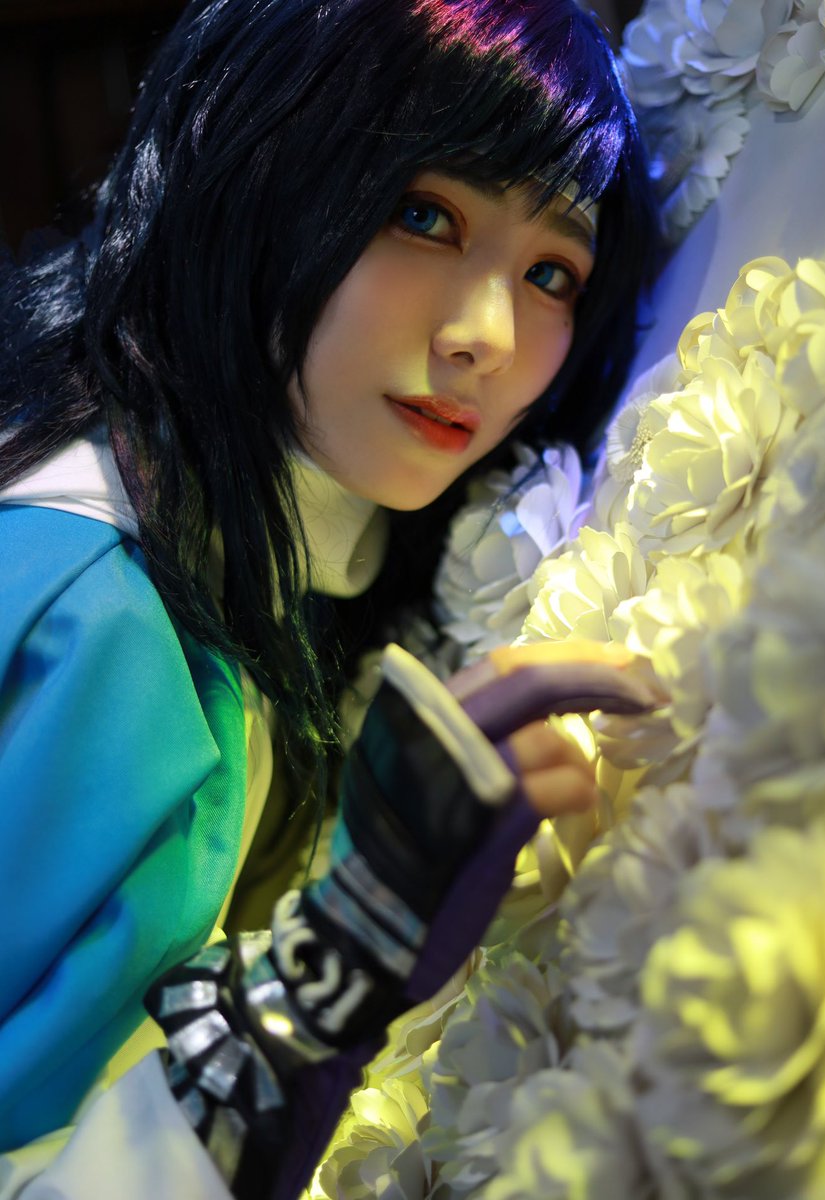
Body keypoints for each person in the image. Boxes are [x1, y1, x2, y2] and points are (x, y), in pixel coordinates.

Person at [0, 0, 658, 1194]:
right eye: (424, 214)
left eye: (550, 272)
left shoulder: (268, 561)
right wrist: (344, 953)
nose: (485, 334)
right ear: (259, 167)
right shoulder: (97, 618)